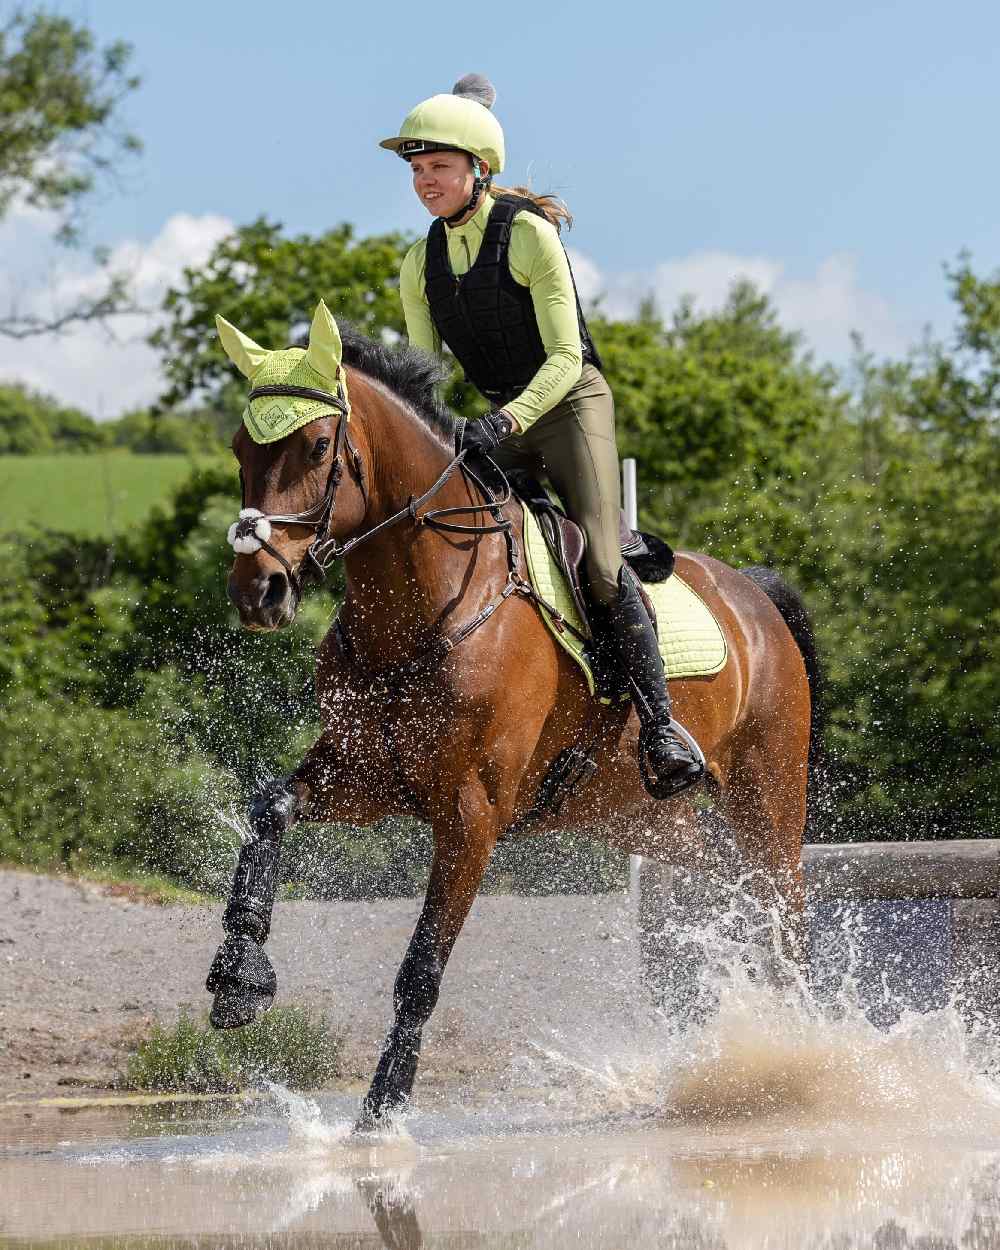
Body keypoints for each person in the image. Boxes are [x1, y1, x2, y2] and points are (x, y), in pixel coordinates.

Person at [379, 75, 703, 799]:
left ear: (478, 170)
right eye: (416, 170)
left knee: (599, 564)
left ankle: (661, 728)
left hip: (569, 406)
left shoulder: (528, 235)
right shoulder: (417, 265)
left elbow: (565, 358)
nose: (425, 181)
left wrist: (506, 420)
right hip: (501, 420)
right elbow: (425, 379)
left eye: (438, 167)